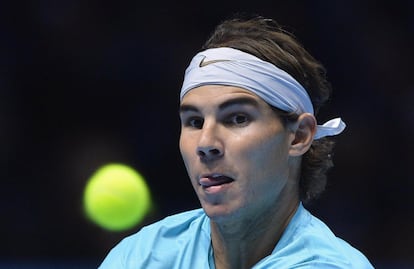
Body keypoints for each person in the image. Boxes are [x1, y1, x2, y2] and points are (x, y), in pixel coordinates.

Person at [99, 14, 374, 269]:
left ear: (299, 136)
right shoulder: (139, 256)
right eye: (194, 122)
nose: (205, 143)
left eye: (237, 118)